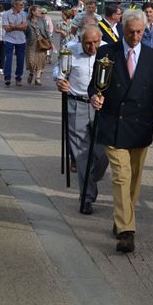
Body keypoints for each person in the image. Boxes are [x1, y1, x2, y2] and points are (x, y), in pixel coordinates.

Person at [90, 9, 153, 254]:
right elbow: (96, 84)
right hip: (113, 124)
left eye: (139, 31)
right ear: (122, 30)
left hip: (141, 125)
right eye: (131, 31)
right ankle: (126, 231)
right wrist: (94, 96)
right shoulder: (106, 53)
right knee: (121, 177)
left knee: (134, 180)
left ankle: (122, 217)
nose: (135, 36)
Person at [54, 25, 109, 214]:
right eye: (88, 43)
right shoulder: (70, 51)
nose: (92, 47)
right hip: (77, 104)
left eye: (95, 42)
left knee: (103, 154)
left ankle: (90, 179)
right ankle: (86, 197)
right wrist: (60, 81)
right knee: (82, 155)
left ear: (100, 38)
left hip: (102, 106)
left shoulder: (108, 51)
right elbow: (58, 71)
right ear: (80, 40)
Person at [3, 0, 28, 87]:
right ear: (15, 5)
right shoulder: (6, 14)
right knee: (8, 58)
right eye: (20, 5)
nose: (22, 6)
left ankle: (18, 78)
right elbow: (6, 28)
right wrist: (19, 26)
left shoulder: (23, 14)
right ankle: (7, 77)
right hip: (9, 39)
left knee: (20, 59)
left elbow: (25, 27)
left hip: (21, 39)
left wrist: (13, 26)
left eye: (22, 5)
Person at [25, 5, 51, 85]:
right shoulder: (27, 21)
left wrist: (49, 41)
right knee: (31, 61)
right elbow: (24, 32)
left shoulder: (42, 20)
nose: (40, 12)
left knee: (40, 61)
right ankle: (31, 73)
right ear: (33, 12)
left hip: (41, 43)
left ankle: (38, 78)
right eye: (38, 10)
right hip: (31, 44)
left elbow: (47, 31)